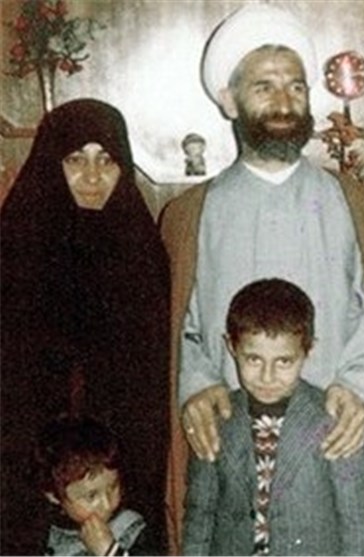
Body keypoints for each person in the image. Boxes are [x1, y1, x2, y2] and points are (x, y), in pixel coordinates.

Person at [158, 5, 364, 552]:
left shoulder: (353, 204)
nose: (284, 102)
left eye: (296, 86)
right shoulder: (190, 215)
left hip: (328, 442)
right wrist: (197, 388)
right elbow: (183, 329)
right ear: (229, 100)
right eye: (264, 87)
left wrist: (360, 393)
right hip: (231, 446)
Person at [0, 99, 171, 555]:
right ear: (52, 165)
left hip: (120, 471)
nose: (92, 177)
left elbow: (150, 381)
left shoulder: (141, 252)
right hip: (29, 467)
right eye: (76, 160)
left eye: (106, 160)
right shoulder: (16, 250)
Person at [182, 278, 364, 555]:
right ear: (231, 346)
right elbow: (199, 515)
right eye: (253, 359)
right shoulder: (214, 421)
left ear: (308, 350)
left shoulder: (335, 422)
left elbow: (357, 526)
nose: (267, 377)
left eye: (283, 361)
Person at [36, 416, 156, 556]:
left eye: (113, 487)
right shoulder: (42, 535)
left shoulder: (131, 529)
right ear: (53, 495)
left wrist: (110, 551)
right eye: (91, 496)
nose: (107, 505)